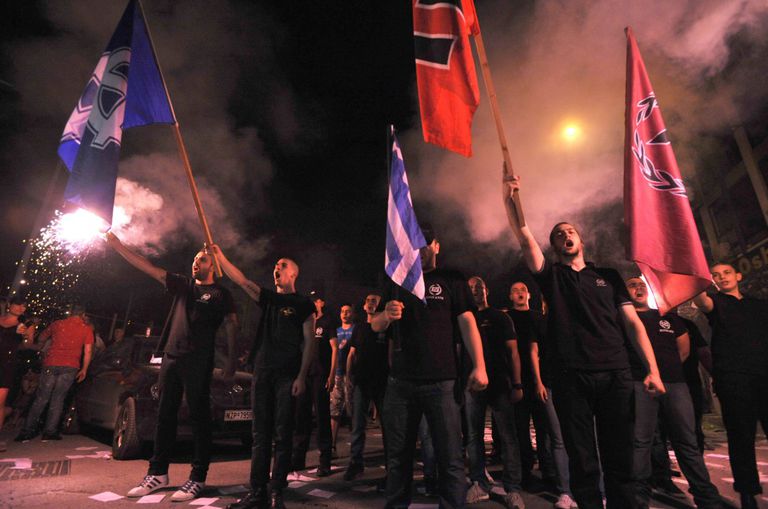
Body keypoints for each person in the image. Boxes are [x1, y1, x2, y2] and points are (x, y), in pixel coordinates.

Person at [502, 169, 664, 509]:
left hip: (616, 374)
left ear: (581, 240)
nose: (565, 235)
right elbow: (523, 235)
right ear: (556, 246)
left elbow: (632, 323)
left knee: (620, 457)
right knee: (582, 460)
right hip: (571, 376)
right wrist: (510, 198)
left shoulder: (607, 276)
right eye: (559, 234)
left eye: (570, 231)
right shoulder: (551, 276)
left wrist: (652, 369)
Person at [105, 233, 238, 502]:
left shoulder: (221, 294)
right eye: (194, 260)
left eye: (200, 260)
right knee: (165, 414)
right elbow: (150, 268)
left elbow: (232, 326)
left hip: (199, 360)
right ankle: (157, 473)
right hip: (171, 357)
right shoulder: (184, 286)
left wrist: (232, 362)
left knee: (200, 417)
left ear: (213, 265)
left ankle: (197, 477)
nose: (195, 263)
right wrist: (118, 247)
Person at [372, 226, 490, 509]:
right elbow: (374, 323)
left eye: (425, 244)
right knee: (398, 458)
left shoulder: (452, 279)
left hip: (443, 383)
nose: (420, 249)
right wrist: (386, 316)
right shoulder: (395, 279)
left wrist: (480, 366)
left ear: (436, 246)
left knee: (450, 457)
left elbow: (467, 323)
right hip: (400, 383)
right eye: (413, 244)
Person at [212, 247, 316, 509]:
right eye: (275, 265)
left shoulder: (304, 304)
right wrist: (221, 258)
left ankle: (276, 491)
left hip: (287, 375)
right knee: (260, 435)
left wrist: (301, 376)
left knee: (282, 434)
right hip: (262, 372)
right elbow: (242, 280)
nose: (276, 268)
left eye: (282, 265)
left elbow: (310, 342)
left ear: (293, 273)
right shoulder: (268, 298)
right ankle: (257, 491)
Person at [626, 277, 722, 509]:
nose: (638, 288)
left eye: (641, 285)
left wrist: (665, 373)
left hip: (675, 385)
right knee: (641, 442)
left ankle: (706, 497)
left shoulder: (668, 317)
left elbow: (684, 349)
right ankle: (638, 500)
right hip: (640, 385)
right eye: (631, 285)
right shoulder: (624, 320)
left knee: (686, 441)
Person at [693, 263, 768, 509]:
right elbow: (702, 300)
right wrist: (694, 273)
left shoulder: (758, 305)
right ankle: (747, 493)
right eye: (716, 275)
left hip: (764, 374)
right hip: (733, 378)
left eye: (726, 272)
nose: (721, 277)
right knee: (740, 436)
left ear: (738, 276)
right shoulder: (716, 303)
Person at [464, 276, 526, 508]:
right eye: (471, 288)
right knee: (473, 437)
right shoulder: (465, 318)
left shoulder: (501, 317)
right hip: (472, 386)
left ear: (486, 290)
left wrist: (517, 384)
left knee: (508, 437)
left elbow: (513, 353)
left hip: (500, 384)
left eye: (479, 286)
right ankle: (479, 483)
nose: (475, 291)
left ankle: (513, 489)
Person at [526, 293, 578, 509]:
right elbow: (533, 351)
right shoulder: (540, 321)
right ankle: (565, 491)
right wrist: (538, 382)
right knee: (558, 438)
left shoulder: (573, 321)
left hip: (576, 384)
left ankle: (594, 488)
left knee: (583, 437)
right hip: (550, 383)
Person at [16, 303, 92, 443]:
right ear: (83, 315)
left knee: (41, 398)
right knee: (58, 399)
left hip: (51, 362)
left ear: (70, 313)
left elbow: (42, 337)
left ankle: (26, 431)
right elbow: (88, 351)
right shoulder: (86, 329)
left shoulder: (58, 324)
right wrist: (84, 369)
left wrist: (43, 350)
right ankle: (49, 431)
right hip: (70, 366)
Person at [507, 281, 555, 487]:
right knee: (520, 430)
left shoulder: (539, 318)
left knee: (544, 428)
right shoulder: (505, 317)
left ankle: (548, 471)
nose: (519, 293)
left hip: (541, 380)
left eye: (523, 290)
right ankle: (526, 471)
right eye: (515, 290)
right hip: (517, 381)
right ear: (510, 296)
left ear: (529, 295)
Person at [344, 293, 388, 482]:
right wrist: (348, 377)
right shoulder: (359, 328)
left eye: (374, 301)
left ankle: (391, 466)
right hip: (361, 381)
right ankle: (356, 463)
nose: (370, 303)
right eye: (368, 301)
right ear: (364, 307)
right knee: (358, 425)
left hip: (382, 382)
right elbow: (351, 354)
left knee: (387, 425)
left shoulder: (386, 327)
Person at [291, 292, 334, 476]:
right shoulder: (305, 321)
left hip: (320, 375)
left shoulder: (327, 322)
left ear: (321, 303)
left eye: (316, 300)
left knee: (323, 417)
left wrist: (331, 375)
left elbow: (334, 349)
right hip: (305, 375)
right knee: (301, 417)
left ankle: (325, 460)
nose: (313, 303)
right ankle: (298, 459)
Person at [1, 296, 36, 451]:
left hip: (6, 364)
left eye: (24, 306)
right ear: (10, 305)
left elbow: (27, 345)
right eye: (19, 304)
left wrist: (24, 335)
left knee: (0, 403)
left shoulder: (27, 324)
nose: (21, 308)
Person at [330, 304, 355, 454]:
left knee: (353, 411)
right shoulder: (336, 332)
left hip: (351, 376)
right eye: (342, 311)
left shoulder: (356, 330)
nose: (345, 314)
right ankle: (332, 446)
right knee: (334, 410)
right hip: (337, 375)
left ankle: (355, 448)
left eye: (348, 311)